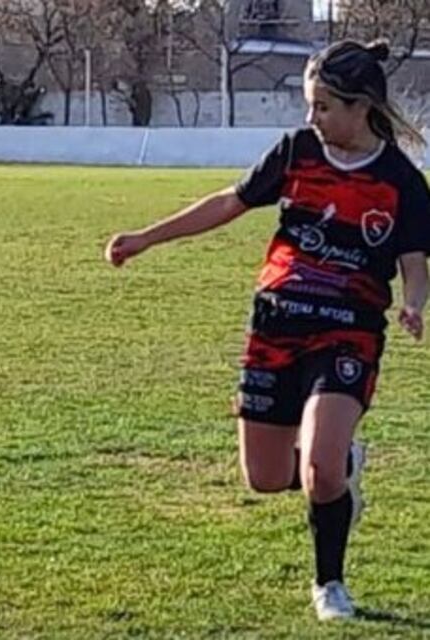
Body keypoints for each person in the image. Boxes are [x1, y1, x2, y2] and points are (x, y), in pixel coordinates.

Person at [104, 39, 430, 621]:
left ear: (362, 108)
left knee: (318, 470)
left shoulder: (400, 180)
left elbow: (412, 256)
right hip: (275, 325)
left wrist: (413, 303)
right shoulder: (297, 153)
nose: (312, 118)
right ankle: (347, 468)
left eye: (324, 106)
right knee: (266, 477)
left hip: (347, 332)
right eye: (310, 105)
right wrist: (147, 237)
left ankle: (330, 584)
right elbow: (229, 202)